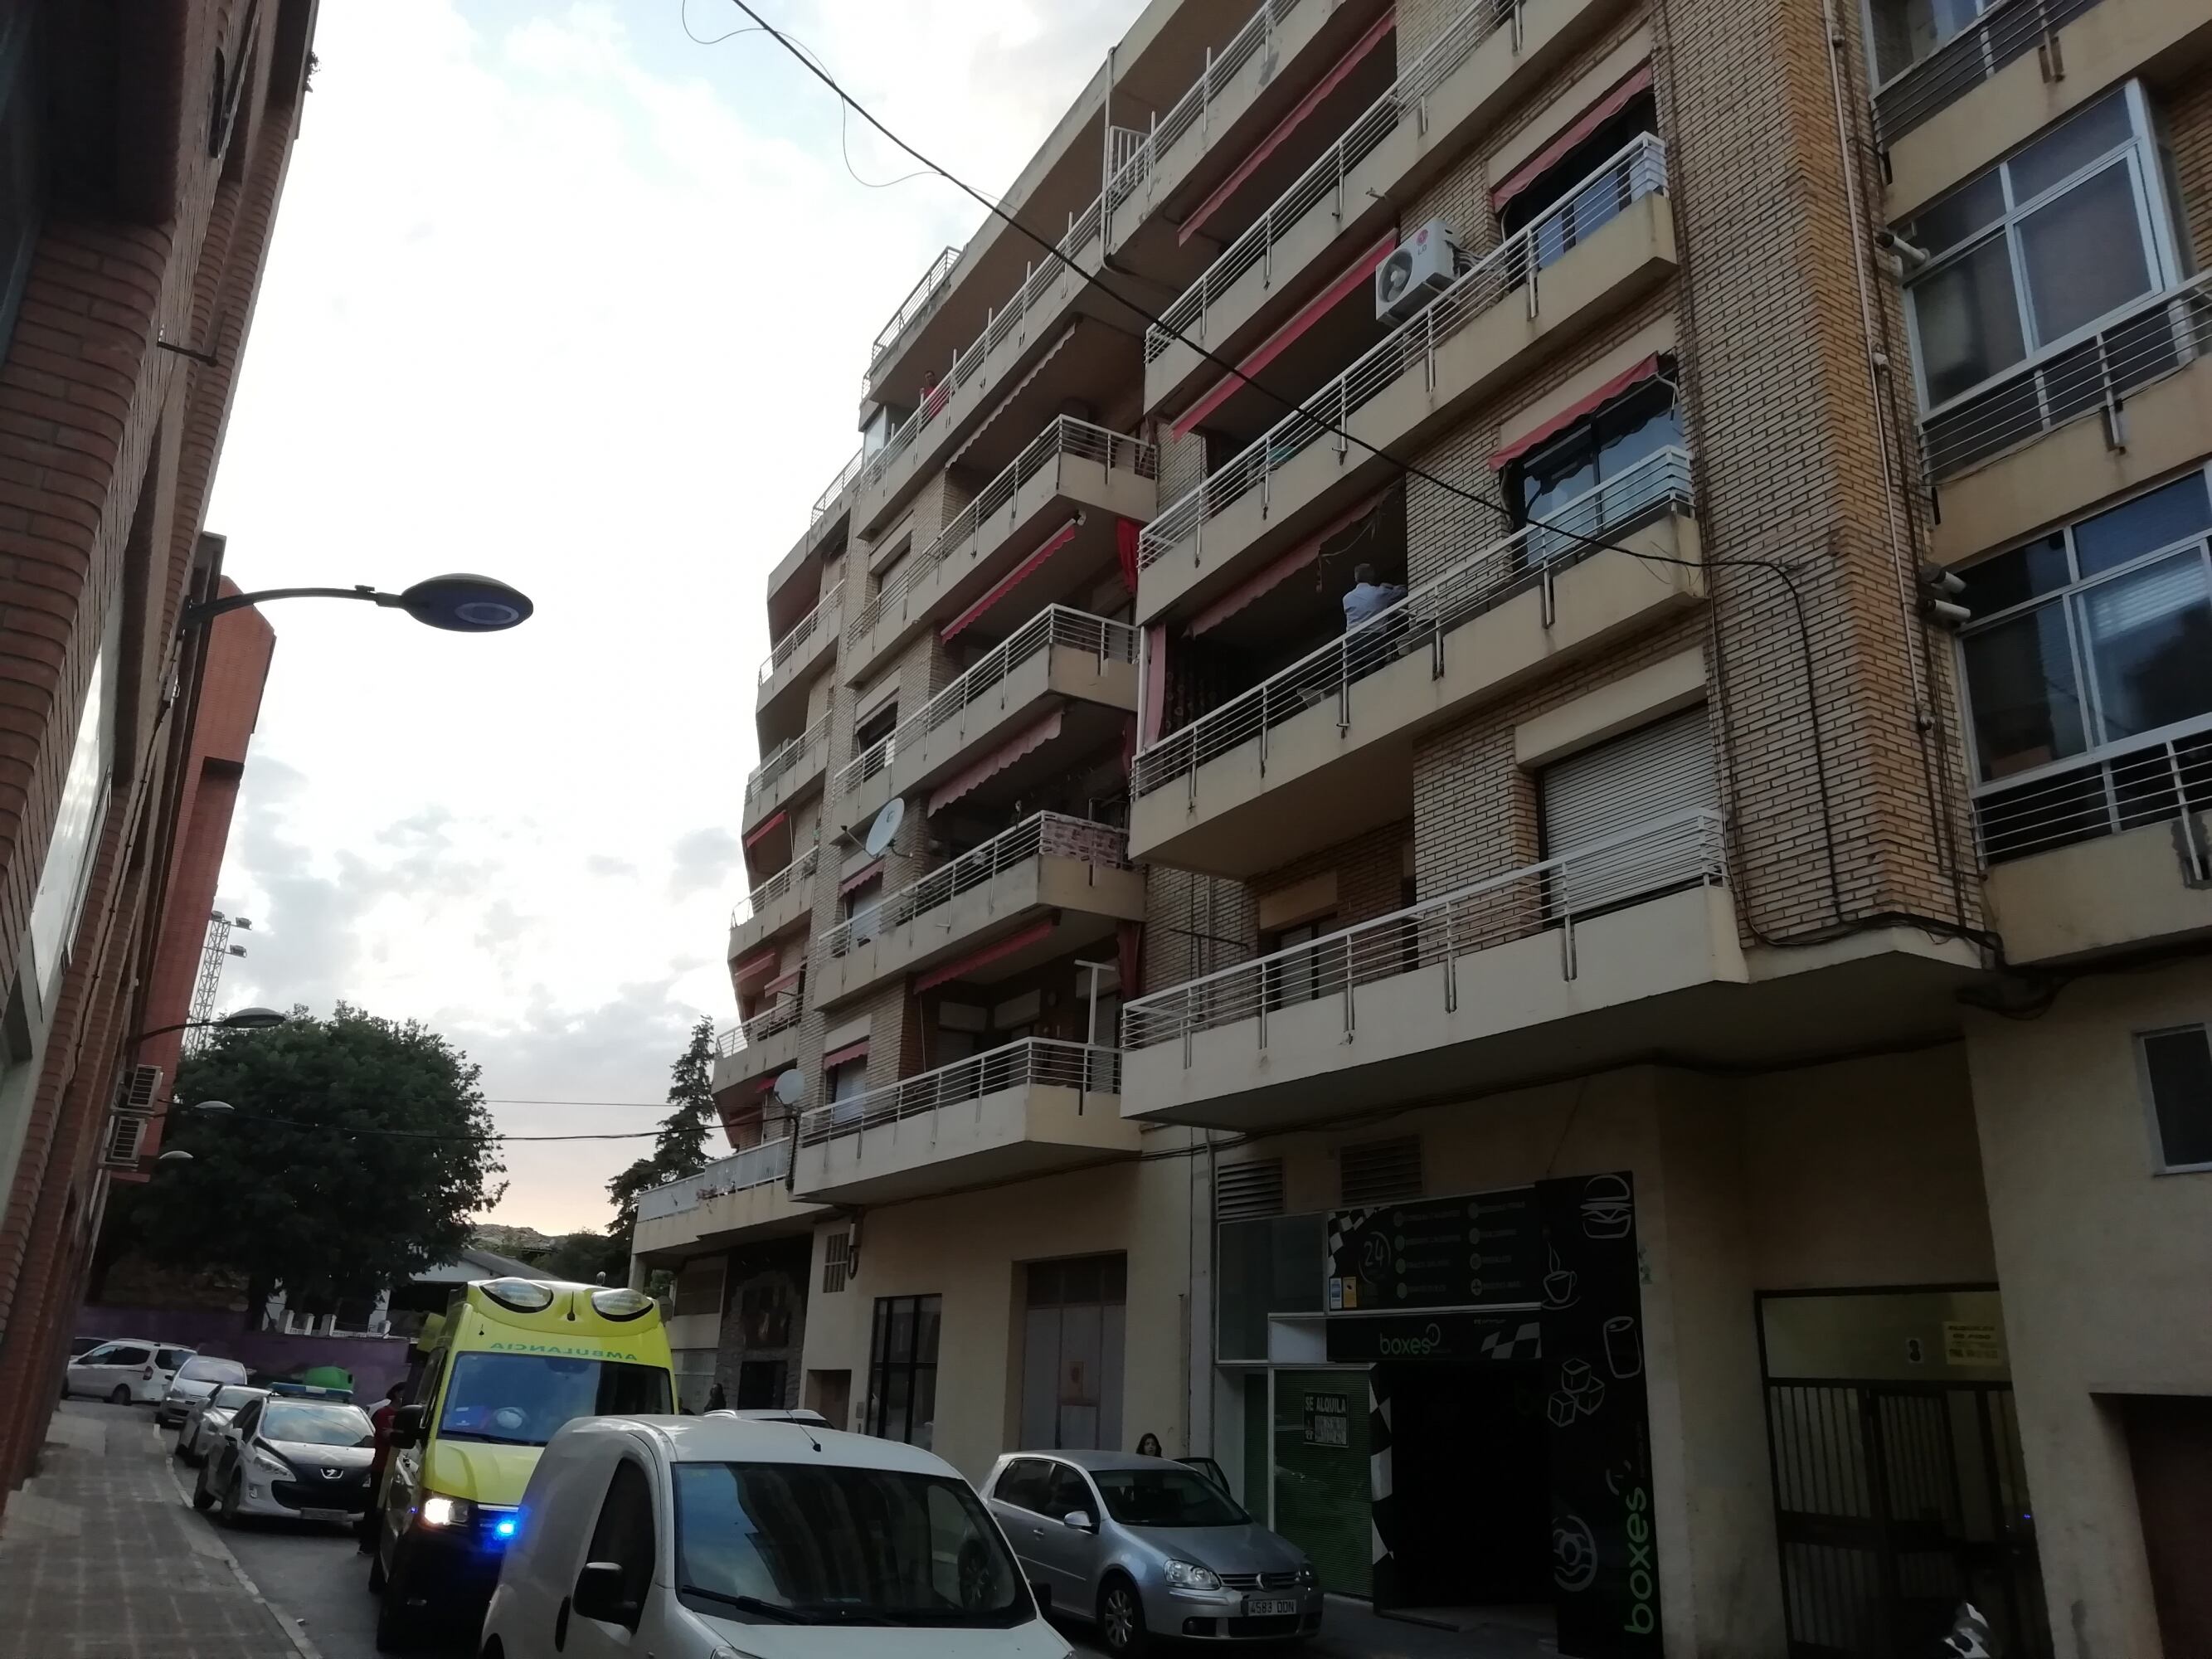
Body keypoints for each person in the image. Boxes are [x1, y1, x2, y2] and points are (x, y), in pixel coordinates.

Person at [1342, 562, 1407, 632]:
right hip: (1375, 636)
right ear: (1372, 577)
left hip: (1353, 637)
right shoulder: (1380, 593)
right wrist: (1391, 587)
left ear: (1355, 579)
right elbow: (1403, 591)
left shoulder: (1346, 599)